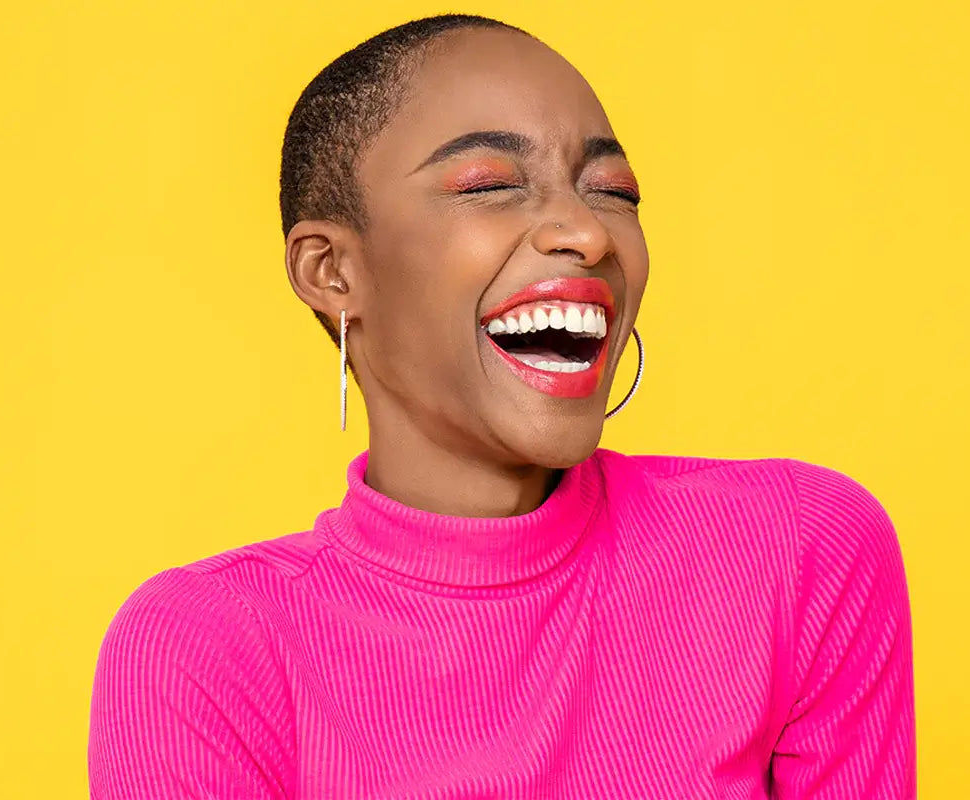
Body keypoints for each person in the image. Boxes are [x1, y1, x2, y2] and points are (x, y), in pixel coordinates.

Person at [87, 14, 915, 798]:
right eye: (489, 183)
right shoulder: (206, 653)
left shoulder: (796, 552)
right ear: (331, 271)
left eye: (614, 191)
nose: (587, 233)